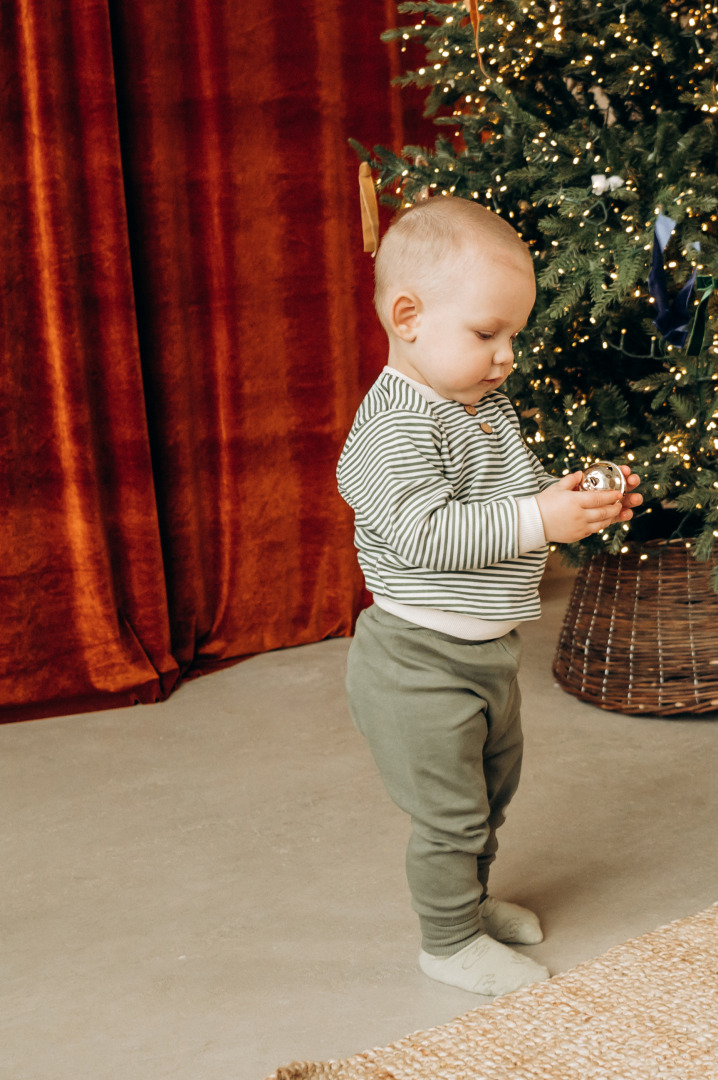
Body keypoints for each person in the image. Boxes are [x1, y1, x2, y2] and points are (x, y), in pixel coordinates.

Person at [336, 196, 642, 997]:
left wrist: (566, 502)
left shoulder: (483, 404)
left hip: (486, 652)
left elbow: (506, 501)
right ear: (408, 316)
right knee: (451, 814)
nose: (506, 356)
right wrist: (538, 517)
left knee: (490, 792)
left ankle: (467, 905)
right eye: (486, 334)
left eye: (513, 336)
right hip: (416, 661)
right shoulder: (392, 427)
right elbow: (427, 535)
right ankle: (445, 942)